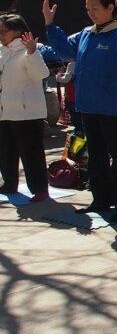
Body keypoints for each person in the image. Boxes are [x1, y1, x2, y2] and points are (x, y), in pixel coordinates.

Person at [43, 0, 117, 219]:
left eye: (95, 9)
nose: (91, 14)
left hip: (112, 108)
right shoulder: (86, 34)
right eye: (88, 10)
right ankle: (101, 200)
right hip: (88, 106)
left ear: (111, 8)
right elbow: (63, 50)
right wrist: (50, 25)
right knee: (96, 157)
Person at [0, 14, 50, 199]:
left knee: (31, 153)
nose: (1, 35)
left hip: (27, 113)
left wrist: (32, 52)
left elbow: (41, 73)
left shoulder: (28, 51)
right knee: (6, 151)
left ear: (19, 31)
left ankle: (39, 189)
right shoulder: (3, 52)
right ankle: (9, 183)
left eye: (4, 31)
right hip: (5, 111)